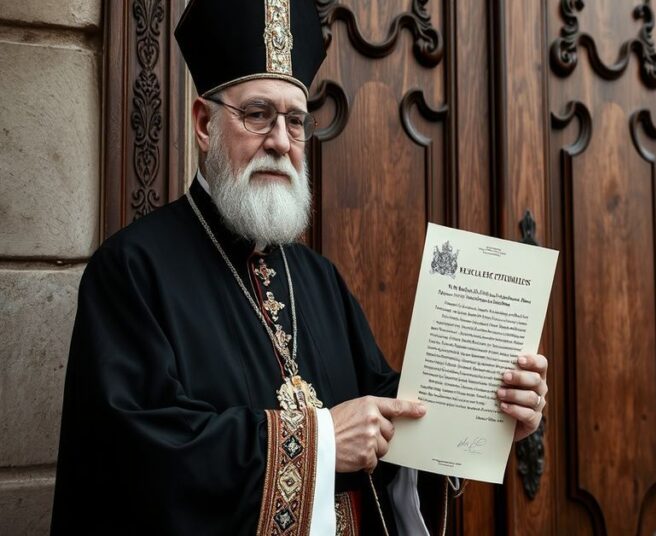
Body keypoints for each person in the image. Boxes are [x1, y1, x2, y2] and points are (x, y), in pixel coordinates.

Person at [50, 0, 547, 534]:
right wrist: (324, 439)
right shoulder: (130, 272)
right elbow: (142, 461)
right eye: (258, 114)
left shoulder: (319, 279)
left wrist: (489, 414)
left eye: (295, 120)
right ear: (203, 123)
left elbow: (391, 418)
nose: (281, 142)